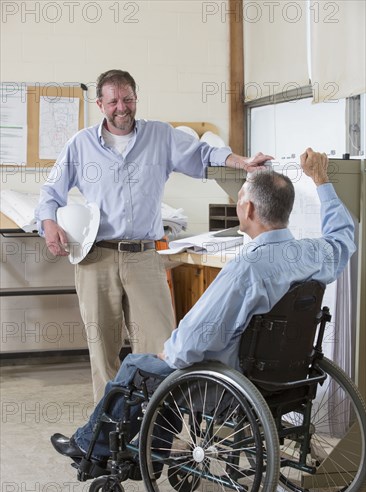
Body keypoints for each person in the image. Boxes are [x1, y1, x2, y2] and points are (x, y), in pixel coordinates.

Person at [51, 147, 356, 462]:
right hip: (288, 380)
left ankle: (91, 448)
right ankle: (153, 451)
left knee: (137, 367)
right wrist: (321, 179)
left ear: (248, 209)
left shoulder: (247, 268)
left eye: (239, 198)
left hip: (229, 385)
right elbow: (344, 238)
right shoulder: (312, 253)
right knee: (166, 366)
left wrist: (170, 351)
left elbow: (196, 339)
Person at [35, 69, 273, 403]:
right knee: (103, 352)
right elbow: (50, 192)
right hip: (95, 258)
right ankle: (108, 437)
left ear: (136, 98)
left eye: (128, 98)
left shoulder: (160, 136)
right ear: (100, 103)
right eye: (114, 100)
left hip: (145, 256)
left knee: (162, 347)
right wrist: (48, 223)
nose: (122, 107)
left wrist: (242, 161)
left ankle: (155, 431)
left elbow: (204, 155)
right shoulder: (81, 145)